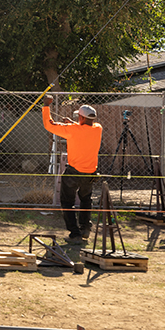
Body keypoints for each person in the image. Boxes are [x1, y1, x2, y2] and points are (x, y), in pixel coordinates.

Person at [43, 98, 102, 242]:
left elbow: (49, 125)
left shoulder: (73, 130)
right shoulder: (98, 129)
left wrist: (46, 107)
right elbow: (83, 130)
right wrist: (73, 123)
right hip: (90, 172)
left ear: (81, 117)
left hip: (74, 172)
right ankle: (85, 227)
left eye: (78, 117)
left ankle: (75, 234)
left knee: (67, 202)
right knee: (85, 199)